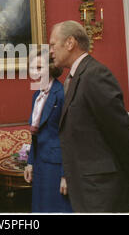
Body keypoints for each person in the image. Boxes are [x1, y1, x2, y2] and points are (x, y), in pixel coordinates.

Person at [49, 21, 129, 212]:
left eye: (52, 45)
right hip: (86, 185)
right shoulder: (73, 77)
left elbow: (120, 131)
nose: (50, 51)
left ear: (70, 43)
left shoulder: (95, 74)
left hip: (101, 188)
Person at [24, 49, 73, 213]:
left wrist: (66, 175)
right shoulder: (36, 96)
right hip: (40, 165)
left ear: (50, 68)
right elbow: (35, 136)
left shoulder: (61, 94)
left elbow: (69, 136)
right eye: (32, 68)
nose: (34, 72)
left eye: (39, 67)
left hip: (57, 167)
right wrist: (30, 163)